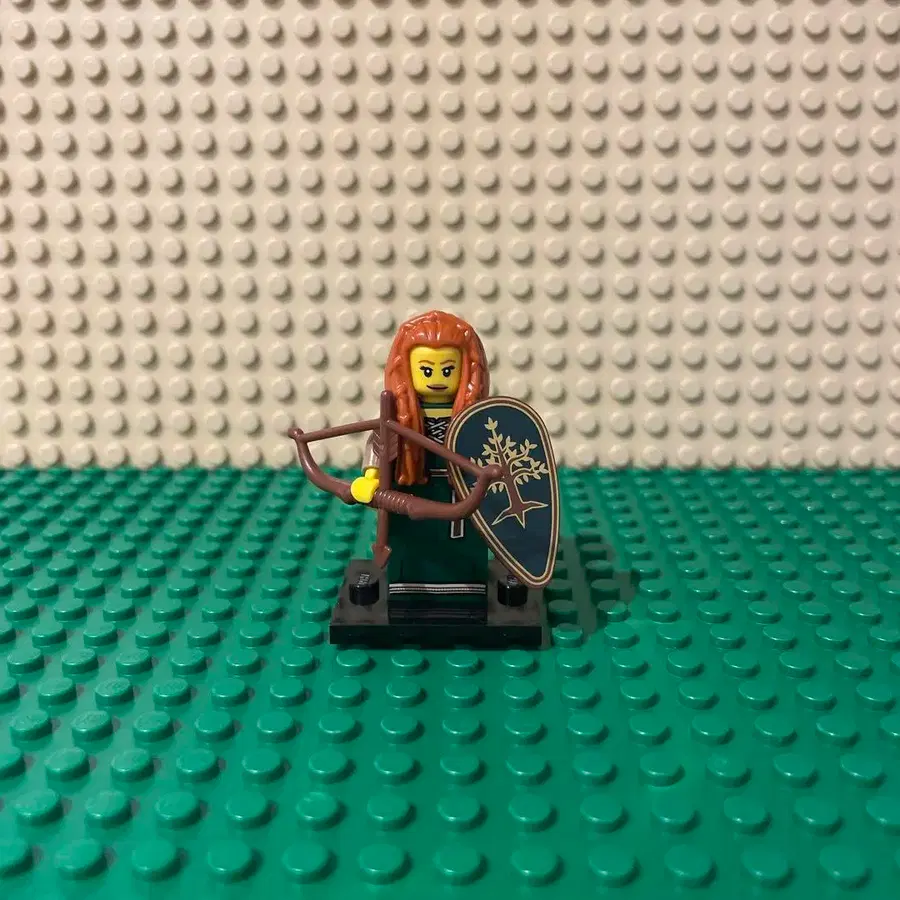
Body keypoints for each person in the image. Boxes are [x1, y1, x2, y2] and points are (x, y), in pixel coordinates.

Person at [351, 310, 491, 621]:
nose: (438, 379)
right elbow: (380, 442)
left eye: (448, 369)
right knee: (410, 542)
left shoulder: (473, 415)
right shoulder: (401, 416)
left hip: (460, 490)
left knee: (463, 545)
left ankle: (465, 592)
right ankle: (409, 592)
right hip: (410, 484)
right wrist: (371, 475)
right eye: (427, 370)